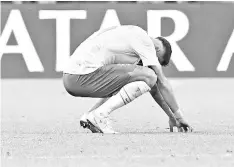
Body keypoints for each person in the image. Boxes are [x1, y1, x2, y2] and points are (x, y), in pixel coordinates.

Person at [63, 25, 193, 134]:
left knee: (137, 78)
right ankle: (100, 115)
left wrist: (171, 116)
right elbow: (160, 81)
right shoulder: (145, 41)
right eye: (157, 60)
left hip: (70, 77)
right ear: (158, 49)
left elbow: (153, 88)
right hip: (82, 75)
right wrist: (179, 117)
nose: (153, 65)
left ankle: (90, 115)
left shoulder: (125, 34)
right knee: (150, 75)